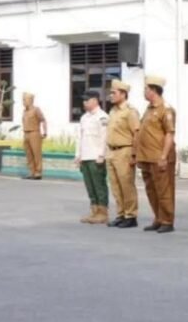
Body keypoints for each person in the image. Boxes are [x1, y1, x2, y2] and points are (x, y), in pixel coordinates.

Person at [136, 75, 176, 233]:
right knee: (151, 190)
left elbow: (169, 134)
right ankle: (158, 218)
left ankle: (167, 220)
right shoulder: (148, 109)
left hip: (159, 157)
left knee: (164, 190)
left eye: (146, 89)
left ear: (153, 90)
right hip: (146, 157)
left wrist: (164, 156)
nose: (144, 92)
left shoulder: (166, 109)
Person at [105, 79, 140, 228]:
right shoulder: (112, 111)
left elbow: (137, 134)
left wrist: (134, 155)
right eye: (111, 92)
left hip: (125, 151)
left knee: (126, 185)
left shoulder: (130, 112)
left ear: (123, 94)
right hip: (112, 151)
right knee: (115, 185)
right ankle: (121, 214)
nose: (111, 95)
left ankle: (131, 216)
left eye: (114, 93)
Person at [74, 90, 109, 224]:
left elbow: (104, 137)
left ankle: (102, 212)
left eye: (87, 100)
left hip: (96, 157)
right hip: (85, 157)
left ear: (95, 100)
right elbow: (80, 138)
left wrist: (102, 155)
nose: (84, 103)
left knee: (99, 185)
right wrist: (78, 155)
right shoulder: (84, 117)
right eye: (83, 100)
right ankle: (94, 211)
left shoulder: (102, 117)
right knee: (90, 186)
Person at [21, 92, 47, 180]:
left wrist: (44, 132)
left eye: (25, 100)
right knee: (29, 154)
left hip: (34, 133)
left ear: (30, 100)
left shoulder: (36, 110)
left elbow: (43, 120)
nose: (23, 102)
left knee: (36, 153)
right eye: (23, 100)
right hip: (26, 133)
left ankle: (38, 172)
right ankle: (31, 171)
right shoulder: (24, 111)